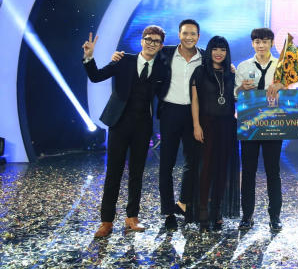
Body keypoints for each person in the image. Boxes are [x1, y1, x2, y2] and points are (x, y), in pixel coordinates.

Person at [112, 19, 204, 229]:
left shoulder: (204, 56)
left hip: (194, 113)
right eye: (185, 33)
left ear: (198, 36)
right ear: (179, 35)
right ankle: (168, 212)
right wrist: (119, 56)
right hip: (170, 111)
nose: (189, 37)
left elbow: (220, 64)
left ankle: (183, 203)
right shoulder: (166, 52)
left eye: (193, 34)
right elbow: (143, 55)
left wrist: (231, 68)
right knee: (166, 164)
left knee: (193, 162)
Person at [82, 27, 168, 238]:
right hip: (119, 123)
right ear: (141, 41)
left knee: (137, 174)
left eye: (156, 41)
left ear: (161, 46)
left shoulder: (161, 69)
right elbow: (96, 76)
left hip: (143, 126)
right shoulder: (123, 60)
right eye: (148, 39)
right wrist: (89, 57)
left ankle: (132, 218)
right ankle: (106, 221)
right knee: (113, 172)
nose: (152, 43)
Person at [234, 28, 285, 232]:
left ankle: (275, 217)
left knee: (273, 172)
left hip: (273, 124)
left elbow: (292, 95)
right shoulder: (243, 66)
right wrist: (241, 89)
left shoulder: (281, 66)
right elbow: (234, 94)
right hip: (249, 125)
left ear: (272, 43)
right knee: (248, 172)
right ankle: (247, 216)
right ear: (252, 44)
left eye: (265, 41)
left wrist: (282, 86)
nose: (261, 45)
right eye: (257, 42)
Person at [190, 36, 237, 231]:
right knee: (206, 168)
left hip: (227, 125)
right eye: (215, 49)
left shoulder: (231, 73)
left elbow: (236, 97)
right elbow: (195, 100)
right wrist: (196, 125)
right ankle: (203, 210)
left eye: (223, 49)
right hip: (206, 124)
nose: (219, 53)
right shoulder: (200, 72)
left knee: (222, 169)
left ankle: (217, 210)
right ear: (209, 51)